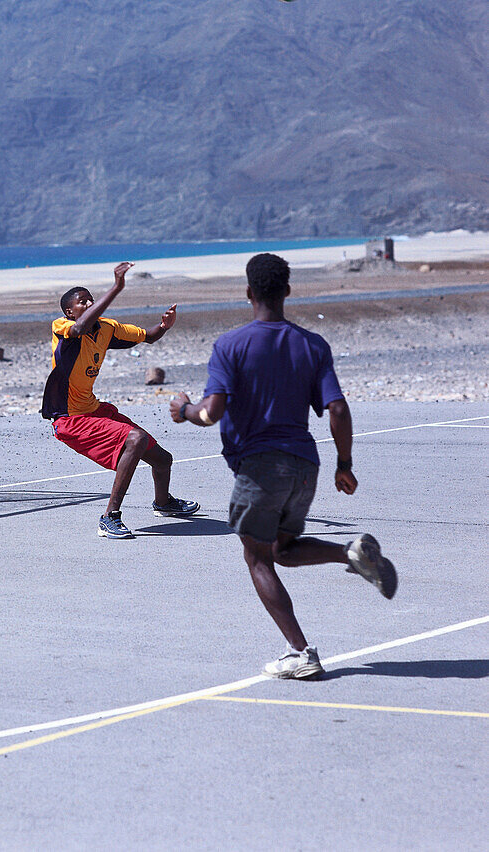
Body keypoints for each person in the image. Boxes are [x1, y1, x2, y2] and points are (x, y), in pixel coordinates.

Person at [169, 252, 397, 679]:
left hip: (259, 469)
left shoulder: (231, 345)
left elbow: (211, 413)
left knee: (257, 559)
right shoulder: (312, 345)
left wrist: (183, 409)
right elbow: (339, 410)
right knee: (281, 550)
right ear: (287, 291)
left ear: (249, 293)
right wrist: (343, 464)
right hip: (304, 466)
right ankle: (350, 553)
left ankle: (300, 652)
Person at [42, 261, 199, 540]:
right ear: (69, 311)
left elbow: (147, 337)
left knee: (163, 460)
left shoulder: (106, 328)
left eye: (91, 298)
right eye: (82, 302)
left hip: (93, 410)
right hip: (69, 419)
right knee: (135, 439)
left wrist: (164, 327)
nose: (89, 303)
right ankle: (109, 518)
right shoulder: (63, 328)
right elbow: (79, 329)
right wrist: (116, 287)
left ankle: (163, 504)